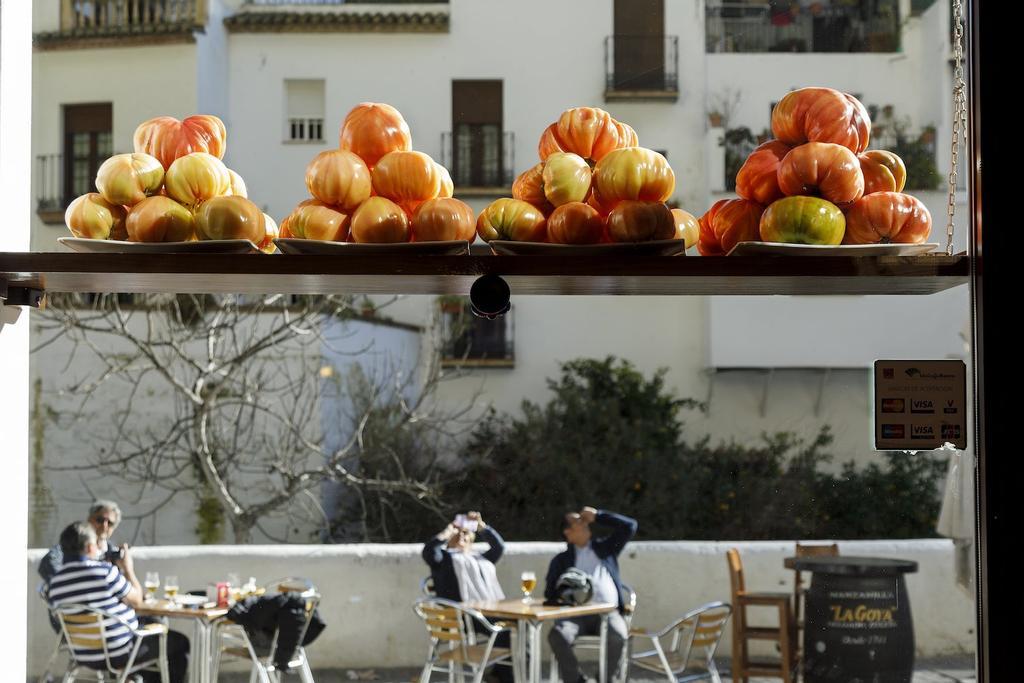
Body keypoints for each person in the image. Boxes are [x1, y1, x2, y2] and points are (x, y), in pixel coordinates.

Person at [47, 521, 190, 683]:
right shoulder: (104, 572)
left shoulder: (55, 582)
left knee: (151, 624)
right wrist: (128, 568)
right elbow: (136, 600)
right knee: (179, 643)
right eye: (96, 544)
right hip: (119, 653)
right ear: (89, 547)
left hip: (82, 654)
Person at [545, 506, 638, 683]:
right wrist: (566, 593)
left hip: (608, 614)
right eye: (578, 521)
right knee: (556, 635)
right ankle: (577, 680)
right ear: (568, 532)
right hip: (574, 616)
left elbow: (630, 526)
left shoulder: (605, 548)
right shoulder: (561, 560)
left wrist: (598, 516)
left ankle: (604, 679)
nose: (584, 522)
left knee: (618, 635)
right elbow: (550, 594)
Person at [422, 511, 512, 683]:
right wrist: (447, 532)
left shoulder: (480, 560)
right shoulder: (443, 559)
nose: (462, 535)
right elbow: (428, 552)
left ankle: (500, 675)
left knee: (521, 629)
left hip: (484, 614)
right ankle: (503, 677)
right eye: (459, 533)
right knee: (505, 631)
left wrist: (481, 527)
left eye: (466, 533)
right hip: (461, 618)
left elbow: (499, 547)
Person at [39, 500, 122, 587]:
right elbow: (48, 562)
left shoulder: (112, 551)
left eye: (110, 523)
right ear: (90, 519)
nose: (104, 526)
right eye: (100, 520)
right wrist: (70, 587)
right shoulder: (74, 542)